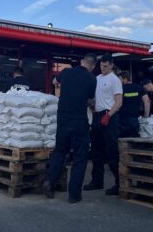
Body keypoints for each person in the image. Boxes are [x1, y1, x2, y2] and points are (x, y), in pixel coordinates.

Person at [43, 54, 97, 204]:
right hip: (79, 120)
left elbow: (54, 81)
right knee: (80, 157)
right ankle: (74, 195)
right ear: (92, 67)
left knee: (60, 151)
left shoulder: (66, 72)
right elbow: (90, 100)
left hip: (63, 119)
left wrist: (63, 88)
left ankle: (50, 182)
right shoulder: (92, 79)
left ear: (81, 62)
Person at [84, 54, 123, 196]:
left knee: (112, 151)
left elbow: (118, 101)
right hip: (97, 116)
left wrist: (109, 115)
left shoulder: (115, 80)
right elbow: (95, 98)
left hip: (109, 117)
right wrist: (92, 105)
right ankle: (97, 181)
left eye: (106, 66)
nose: (103, 68)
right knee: (96, 150)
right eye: (101, 66)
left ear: (111, 65)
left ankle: (119, 183)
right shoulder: (97, 79)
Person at [118, 71, 150, 137]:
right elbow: (147, 101)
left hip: (122, 121)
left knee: (122, 142)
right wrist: (146, 115)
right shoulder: (139, 88)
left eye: (120, 79)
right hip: (134, 120)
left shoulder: (120, 89)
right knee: (134, 141)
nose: (119, 81)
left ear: (125, 79)